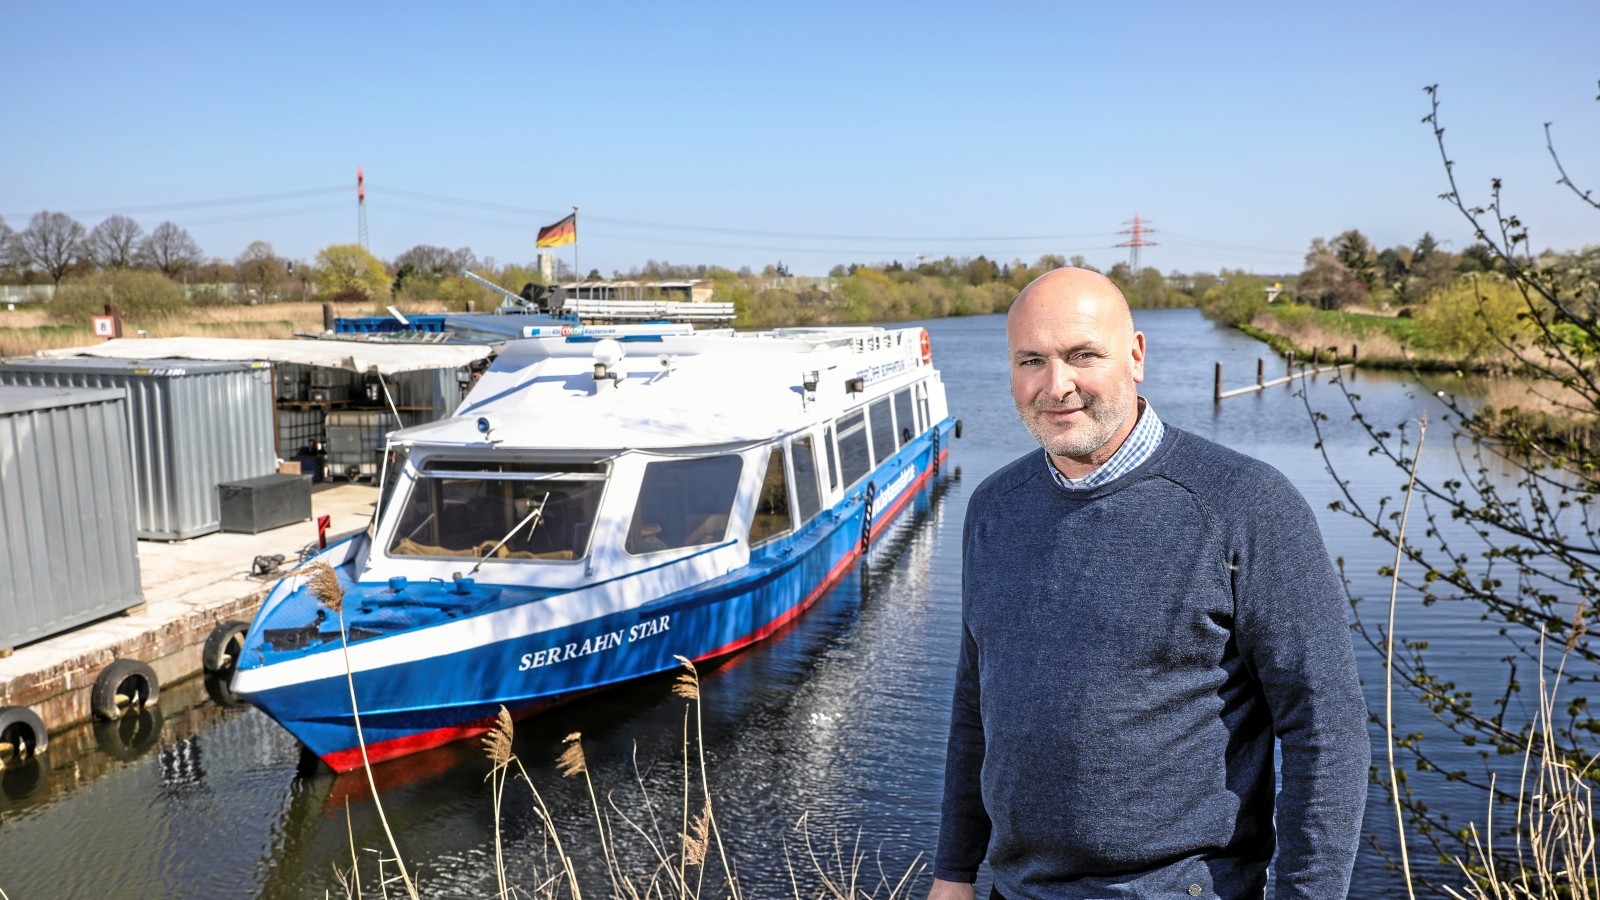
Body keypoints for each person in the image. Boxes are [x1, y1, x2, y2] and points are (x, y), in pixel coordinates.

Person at [931, 268, 1369, 900]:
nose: (1056, 386)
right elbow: (976, 704)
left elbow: (1325, 729)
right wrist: (954, 872)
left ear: (1135, 355)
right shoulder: (995, 507)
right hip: (1015, 890)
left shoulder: (1245, 505)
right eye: (1031, 361)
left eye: (1083, 355)